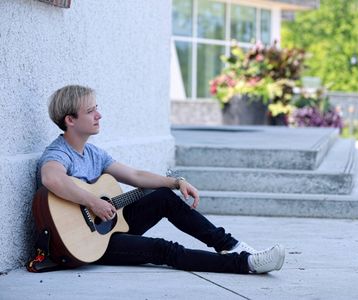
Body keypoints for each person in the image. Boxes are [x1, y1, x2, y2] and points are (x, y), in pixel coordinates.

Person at [36, 84, 285, 274]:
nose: (99, 115)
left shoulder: (93, 153)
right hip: (86, 245)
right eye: (90, 111)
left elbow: (135, 176)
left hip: (109, 228)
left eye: (97, 108)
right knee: (162, 248)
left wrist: (176, 182)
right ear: (70, 120)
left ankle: (231, 245)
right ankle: (246, 264)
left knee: (164, 197)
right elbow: (51, 178)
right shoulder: (59, 152)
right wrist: (94, 202)